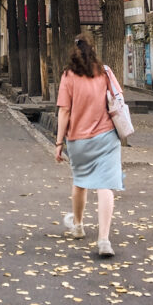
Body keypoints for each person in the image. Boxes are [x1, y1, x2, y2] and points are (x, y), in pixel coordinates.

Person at [54, 33, 124, 258]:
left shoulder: (68, 76)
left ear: (73, 52)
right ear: (93, 50)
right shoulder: (104, 72)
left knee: (80, 182)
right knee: (105, 186)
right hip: (106, 137)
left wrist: (58, 143)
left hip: (78, 140)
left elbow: (64, 111)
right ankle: (104, 240)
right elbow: (117, 98)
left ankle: (78, 226)